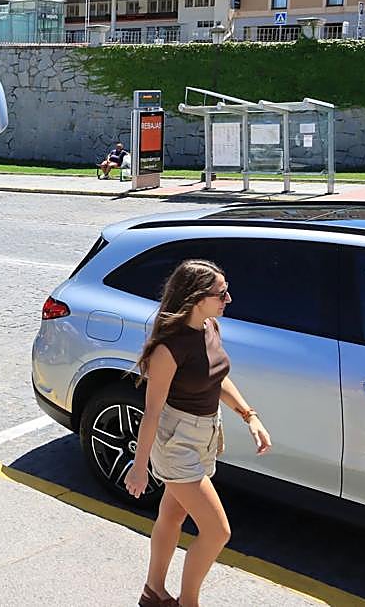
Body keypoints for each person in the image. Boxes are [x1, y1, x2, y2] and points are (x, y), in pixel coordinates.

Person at [124, 260, 272, 607]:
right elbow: (152, 412)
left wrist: (249, 416)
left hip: (205, 434)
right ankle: (188, 603)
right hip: (177, 441)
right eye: (222, 293)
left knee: (173, 515)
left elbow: (216, 377)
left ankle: (153, 592)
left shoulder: (210, 326)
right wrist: (139, 466)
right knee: (218, 532)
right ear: (196, 298)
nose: (228, 299)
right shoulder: (168, 349)